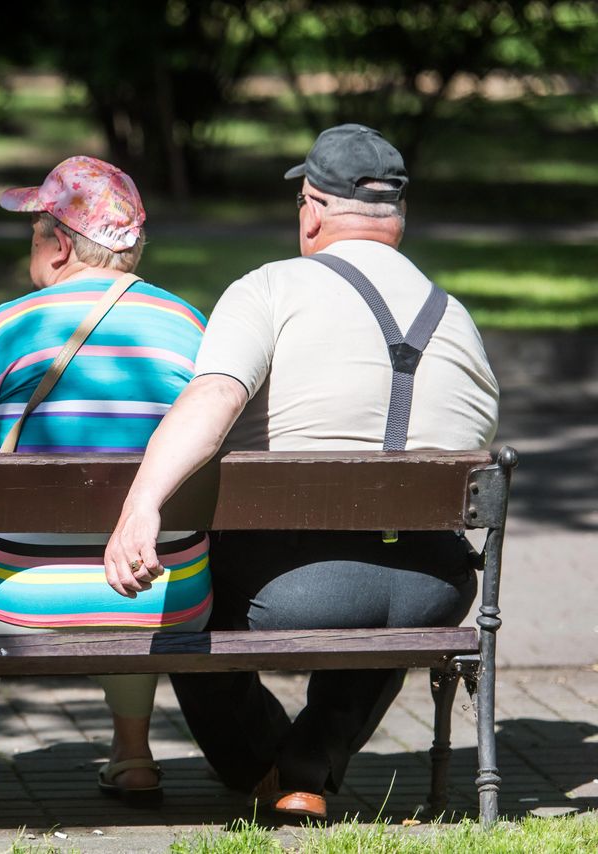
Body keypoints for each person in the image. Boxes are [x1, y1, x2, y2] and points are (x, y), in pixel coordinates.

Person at [105, 124, 499, 820]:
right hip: (435, 591)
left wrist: (142, 505)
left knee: (186, 588)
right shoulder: (458, 318)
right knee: (385, 594)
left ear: (312, 208)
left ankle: (264, 768)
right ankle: (307, 766)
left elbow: (214, 395)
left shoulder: (270, 289)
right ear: (395, 218)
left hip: (294, 588)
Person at [0, 157, 213, 816]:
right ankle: (134, 757)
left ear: (58, 244)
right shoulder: (191, 327)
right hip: (164, 594)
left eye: (34, 231)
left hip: (18, 598)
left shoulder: (9, 326)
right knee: (132, 553)